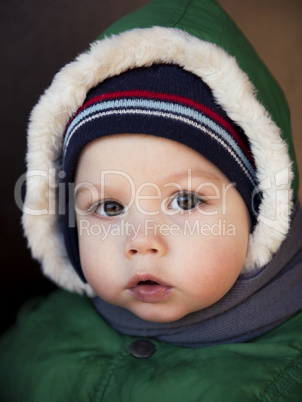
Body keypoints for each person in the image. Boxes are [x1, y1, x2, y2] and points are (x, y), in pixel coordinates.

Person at [1, 0, 302, 400]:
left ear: (262, 212)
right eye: (109, 207)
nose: (141, 241)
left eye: (186, 201)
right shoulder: (31, 343)